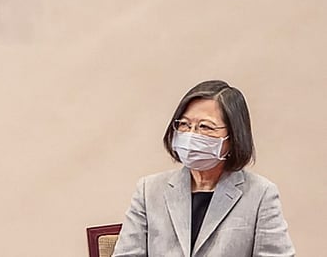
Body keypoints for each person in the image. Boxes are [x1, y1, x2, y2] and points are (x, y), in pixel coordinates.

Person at [112, 80, 295, 257]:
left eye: (205, 127)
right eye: (184, 124)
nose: (191, 135)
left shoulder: (260, 194)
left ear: (233, 137)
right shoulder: (149, 190)